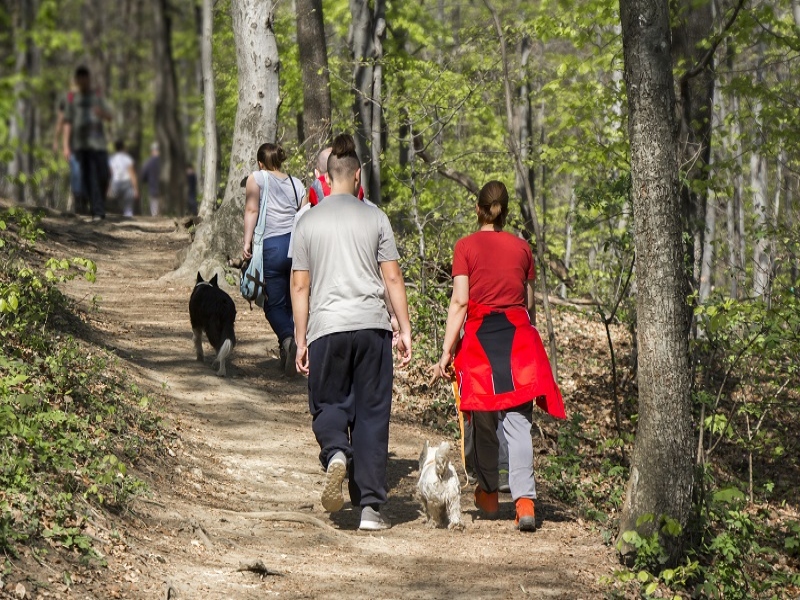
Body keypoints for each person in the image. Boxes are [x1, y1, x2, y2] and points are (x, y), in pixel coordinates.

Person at [290, 133, 412, 531]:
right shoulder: (375, 217)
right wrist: (404, 327)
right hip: (372, 327)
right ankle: (371, 509)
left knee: (328, 404)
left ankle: (336, 453)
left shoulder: (308, 221)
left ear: (326, 177)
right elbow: (391, 277)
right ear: (357, 175)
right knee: (372, 414)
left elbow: (299, 286)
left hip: (327, 329)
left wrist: (301, 337)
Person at [432, 180, 566, 532]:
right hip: (519, 341)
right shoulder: (523, 249)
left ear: (479, 209)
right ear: (505, 211)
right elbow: (530, 304)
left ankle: (489, 495)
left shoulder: (465, 246)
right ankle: (524, 503)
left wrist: (446, 352)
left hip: (479, 344)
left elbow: (460, 301)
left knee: (485, 421)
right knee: (519, 423)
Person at [242, 143, 305, 376]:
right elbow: (304, 215)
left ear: (260, 162)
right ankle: (292, 348)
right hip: (297, 246)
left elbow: (251, 210)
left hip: (272, 247)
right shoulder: (297, 183)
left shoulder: (256, 178)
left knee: (273, 303)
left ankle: (288, 341)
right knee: (294, 299)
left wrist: (246, 242)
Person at [62, 65, 112, 221]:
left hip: (99, 144)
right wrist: (65, 146)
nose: (83, 82)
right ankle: (95, 211)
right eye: (80, 79)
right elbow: (67, 122)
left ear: (89, 79)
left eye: (85, 78)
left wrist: (101, 113)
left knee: (104, 175)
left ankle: (96, 205)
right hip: (81, 145)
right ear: (77, 80)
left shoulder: (97, 96)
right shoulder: (73, 99)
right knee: (88, 178)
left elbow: (110, 116)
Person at [53, 83, 87, 213]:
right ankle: (79, 201)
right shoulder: (68, 101)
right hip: (74, 145)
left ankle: (84, 199)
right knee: (76, 172)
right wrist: (59, 142)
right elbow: (62, 122)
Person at [108, 140, 139, 217]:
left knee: (114, 200)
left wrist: (109, 187)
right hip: (126, 182)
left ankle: (116, 213)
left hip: (116, 182)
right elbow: (132, 174)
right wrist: (135, 189)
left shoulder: (112, 159)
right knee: (128, 201)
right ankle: (128, 213)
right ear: (123, 148)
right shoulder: (127, 159)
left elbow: (110, 174)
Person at [140, 143, 160, 216]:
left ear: (152, 151)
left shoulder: (148, 162)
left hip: (153, 188)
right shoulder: (165, 162)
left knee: (154, 207)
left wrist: (144, 181)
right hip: (165, 189)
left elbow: (143, 175)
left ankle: (156, 219)